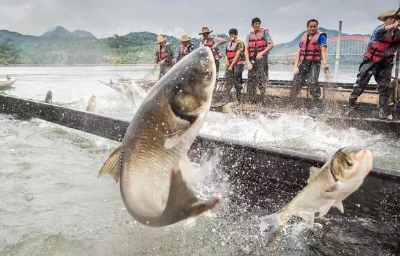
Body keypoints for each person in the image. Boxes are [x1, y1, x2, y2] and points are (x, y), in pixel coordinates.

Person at [348, 10, 400, 119]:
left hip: (386, 63)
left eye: (394, 19)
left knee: (384, 85)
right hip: (372, 60)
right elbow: (383, 29)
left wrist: (397, 27)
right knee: (361, 82)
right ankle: (350, 105)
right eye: (390, 18)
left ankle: (382, 109)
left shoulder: (398, 32)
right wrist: (393, 25)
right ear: (385, 20)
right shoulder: (379, 29)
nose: (393, 20)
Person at [290, 19, 329, 110]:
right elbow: (299, 51)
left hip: (314, 63)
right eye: (311, 26)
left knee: (312, 82)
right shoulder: (304, 36)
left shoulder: (321, 36)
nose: (312, 28)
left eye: (314, 26)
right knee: (296, 81)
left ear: (317, 27)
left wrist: (325, 63)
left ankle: (316, 103)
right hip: (304, 63)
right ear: (307, 27)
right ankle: (292, 102)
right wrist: (296, 66)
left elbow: (323, 50)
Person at [245, 17, 274, 105]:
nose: (257, 25)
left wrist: (262, 52)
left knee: (262, 79)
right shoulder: (249, 35)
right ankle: (251, 101)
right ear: (252, 25)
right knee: (251, 80)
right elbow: (246, 50)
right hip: (252, 59)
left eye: (258, 23)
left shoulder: (265, 32)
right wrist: (248, 62)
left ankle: (262, 100)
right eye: (255, 24)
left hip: (262, 59)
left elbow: (271, 45)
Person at [225, 28, 245, 103]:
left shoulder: (240, 43)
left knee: (237, 82)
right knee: (228, 81)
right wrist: (227, 62)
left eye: (233, 34)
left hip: (238, 64)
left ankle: (238, 100)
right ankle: (229, 100)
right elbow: (226, 54)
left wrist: (231, 65)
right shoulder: (228, 43)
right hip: (230, 64)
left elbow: (237, 55)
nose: (231, 36)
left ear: (236, 35)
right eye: (230, 35)